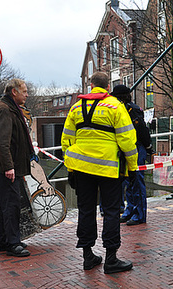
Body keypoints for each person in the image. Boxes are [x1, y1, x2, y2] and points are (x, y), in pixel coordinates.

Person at [61, 72, 138, 274]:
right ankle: (111, 259)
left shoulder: (77, 107)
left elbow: (66, 140)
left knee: (86, 210)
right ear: (107, 87)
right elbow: (127, 140)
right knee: (111, 210)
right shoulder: (116, 106)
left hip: (81, 168)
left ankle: (88, 256)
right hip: (108, 168)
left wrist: (71, 167)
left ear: (91, 85)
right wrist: (132, 167)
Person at [0, 78, 34, 257]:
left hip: (4, 166)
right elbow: (2, 141)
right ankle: (12, 243)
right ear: (14, 92)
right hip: (4, 168)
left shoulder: (8, 107)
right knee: (11, 204)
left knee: (7, 203)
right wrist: (8, 167)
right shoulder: (4, 109)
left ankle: (5, 239)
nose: (27, 94)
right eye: (24, 91)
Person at [111, 84, 153, 226]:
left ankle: (140, 214)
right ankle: (130, 210)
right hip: (126, 148)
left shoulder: (132, 110)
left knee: (136, 180)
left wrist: (148, 147)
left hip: (136, 147)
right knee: (128, 180)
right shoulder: (119, 110)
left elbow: (142, 130)